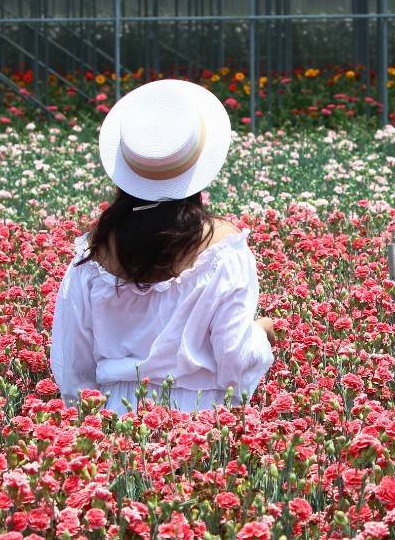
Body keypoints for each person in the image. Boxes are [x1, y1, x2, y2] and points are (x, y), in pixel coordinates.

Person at [48, 78, 276, 416]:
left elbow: (73, 366)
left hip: (116, 418)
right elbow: (235, 363)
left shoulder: (95, 251)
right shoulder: (223, 249)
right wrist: (262, 334)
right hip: (198, 420)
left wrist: (95, 424)